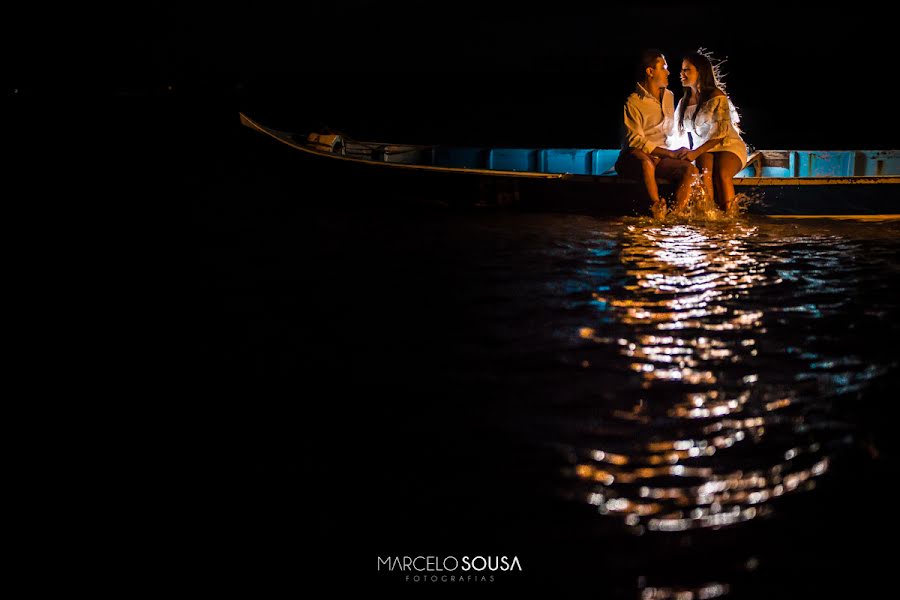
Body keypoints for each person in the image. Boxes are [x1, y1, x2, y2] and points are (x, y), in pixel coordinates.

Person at [615, 49, 697, 218]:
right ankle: (656, 208)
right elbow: (635, 141)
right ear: (650, 71)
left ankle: (676, 215)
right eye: (663, 67)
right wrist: (669, 153)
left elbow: (670, 132)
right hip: (635, 158)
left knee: (690, 170)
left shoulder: (669, 96)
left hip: (660, 159)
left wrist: (679, 150)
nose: (668, 72)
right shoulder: (633, 102)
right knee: (646, 163)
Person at [673, 50, 749, 213]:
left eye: (687, 70)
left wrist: (695, 153)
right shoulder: (683, 102)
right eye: (682, 70)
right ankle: (709, 215)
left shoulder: (716, 96)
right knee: (705, 171)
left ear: (700, 72)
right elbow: (676, 133)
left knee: (721, 173)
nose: (681, 74)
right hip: (704, 149)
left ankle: (729, 217)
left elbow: (720, 134)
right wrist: (681, 152)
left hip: (727, 145)